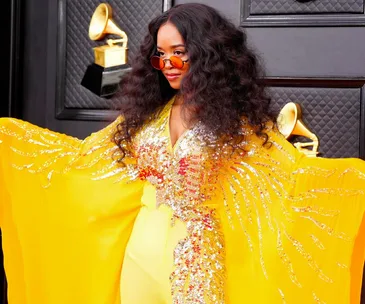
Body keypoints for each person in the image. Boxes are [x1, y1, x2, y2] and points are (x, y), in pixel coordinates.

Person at [0, 3, 364, 304]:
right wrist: (9, 137)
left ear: (208, 57)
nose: (168, 64)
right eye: (161, 55)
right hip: (139, 255)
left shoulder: (239, 125)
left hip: (198, 258)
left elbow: (293, 176)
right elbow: (83, 159)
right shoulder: (143, 118)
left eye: (180, 54)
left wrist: (355, 182)